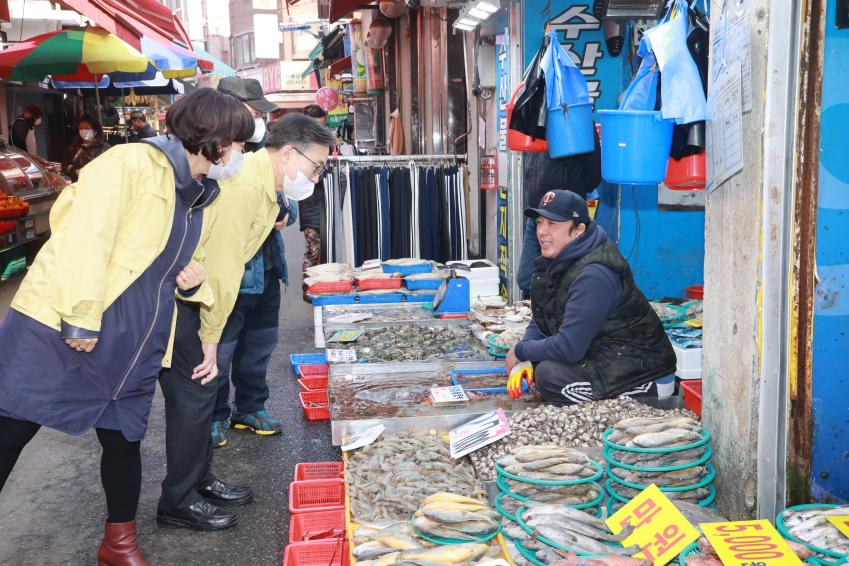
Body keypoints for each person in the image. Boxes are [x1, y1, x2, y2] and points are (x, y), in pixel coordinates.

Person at [0, 88, 253, 565]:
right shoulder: (130, 164)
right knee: (12, 427)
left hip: (136, 335)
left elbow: (180, 266)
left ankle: (119, 544)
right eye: (238, 144)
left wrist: (195, 286)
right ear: (213, 138)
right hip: (65, 322)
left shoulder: (199, 193)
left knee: (123, 438)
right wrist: (79, 316)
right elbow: (83, 236)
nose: (240, 154)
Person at [156, 114, 333, 533]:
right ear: (288, 153)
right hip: (189, 302)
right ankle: (178, 500)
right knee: (194, 397)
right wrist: (211, 338)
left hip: (203, 297)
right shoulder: (245, 189)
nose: (317, 176)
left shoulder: (266, 189)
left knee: (200, 396)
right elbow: (220, 270)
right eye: (316, 166)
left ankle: (199, 480)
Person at [506, 190, 677, 406]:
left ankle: (628, 404)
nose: (542, 231)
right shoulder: (558, 260)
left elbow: (568, 348)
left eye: (552, 224)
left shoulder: (594, 275)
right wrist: (526, 352)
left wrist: (520, 350)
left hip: (643, 374)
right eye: (540, 223)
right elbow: (542, 318)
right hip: (603, 354)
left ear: (578, 230)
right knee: (540, 362)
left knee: (548, 377)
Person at [516, 130, 602, 299]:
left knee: (564, 281)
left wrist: (572, 190)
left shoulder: (579, 120)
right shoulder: (537, 117)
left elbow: (593, 176)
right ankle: (534, 314)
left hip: (564, 216)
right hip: (537, 211)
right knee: (526, 279)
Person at [299, 104, 330, 302]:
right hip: (311, 206)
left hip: (325, 204)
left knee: (324, 249)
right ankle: (308, 288)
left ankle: (322, 285)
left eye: (323, 125)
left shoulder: (323, 143)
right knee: (313, 250)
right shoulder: (301, 147)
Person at [62, 115, 111, 182]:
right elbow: (64, 165)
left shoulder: (104, 148)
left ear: (95, 131)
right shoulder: (74, 146)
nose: (83, 130)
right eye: (81, 128)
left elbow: (108, 169)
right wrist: (73, 170)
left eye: (87, 128)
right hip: (76, 184)